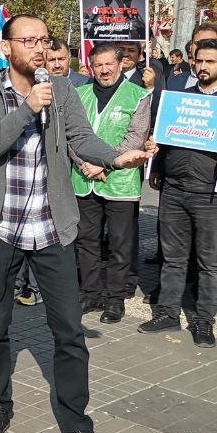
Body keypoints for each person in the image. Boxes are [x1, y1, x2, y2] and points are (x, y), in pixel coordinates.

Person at [0, 13, 149, 433]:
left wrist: (114, 158)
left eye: (44, 40)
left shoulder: (62, 89)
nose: (39, 48)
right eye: (28, 40)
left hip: (52, 229)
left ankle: (76, 422)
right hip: (2, 228)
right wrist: (26, 110)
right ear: (5, 47)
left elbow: (80, 138)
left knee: (68, 333)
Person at [141, 38, 217, 347]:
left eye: (210, 62)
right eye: (198, 61)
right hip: (175, 189)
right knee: (174, 258)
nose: (202, 67)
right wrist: (157, 157)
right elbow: (163, 138)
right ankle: (167, 313)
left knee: (210, 262)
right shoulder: (179, 99)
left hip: (212, 193)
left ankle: (204, 321)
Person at [71, 42, 151, 324]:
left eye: (108, 64)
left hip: (120, 182)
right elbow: (69, 135)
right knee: (87, 240)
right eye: (98, 65)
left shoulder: (138, 96)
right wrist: (83, 164)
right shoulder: (79, 94)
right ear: (91, 67)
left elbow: (135, 138)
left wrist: (102, 163)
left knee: (119, 243)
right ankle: (90, 292)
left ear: (121, 64)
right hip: (84, 178)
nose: (104, 70)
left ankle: (115, 299)